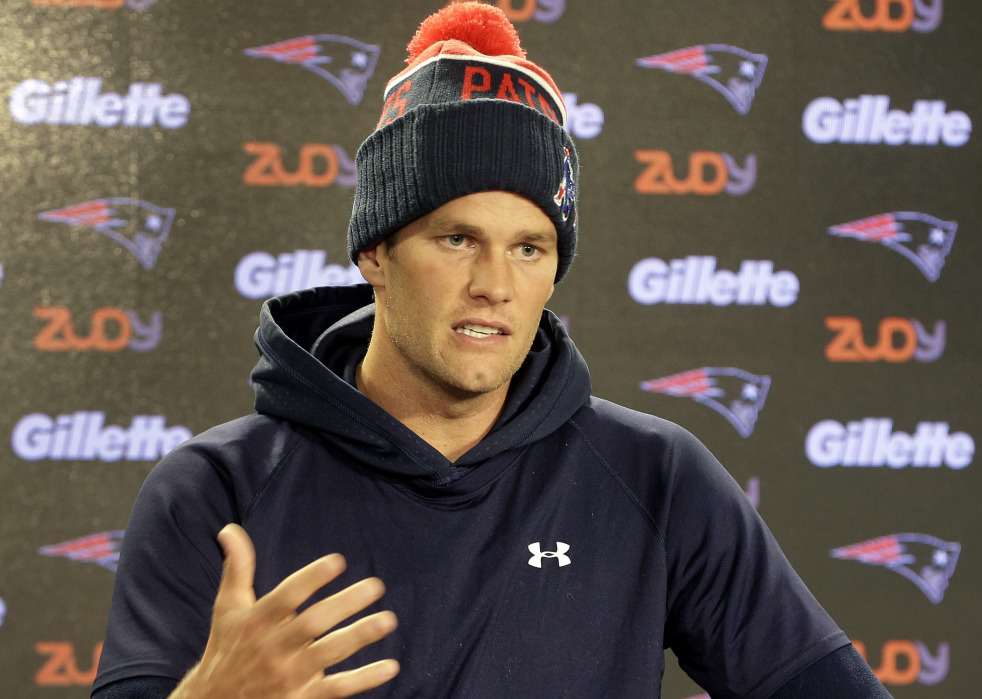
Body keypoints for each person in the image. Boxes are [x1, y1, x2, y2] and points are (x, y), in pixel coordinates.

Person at [93, 3, 893, 697]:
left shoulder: (656, 476)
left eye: (530, 248)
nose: (494, 284)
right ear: (376, 251)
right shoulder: (215, 492)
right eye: (456, 238)